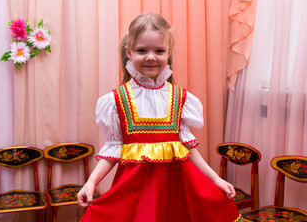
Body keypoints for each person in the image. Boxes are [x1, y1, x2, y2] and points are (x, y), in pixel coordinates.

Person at [77, 12, 243, 222]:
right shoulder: (116, 100)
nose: (151, 57)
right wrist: (91, 183)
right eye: (141, 50)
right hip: (135, 198)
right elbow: (113, 150)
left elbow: (189, 150)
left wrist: (216, 179)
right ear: (129, 52)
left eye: (159, 50)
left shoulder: (181, 98)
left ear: (168, 53)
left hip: (176, 194)